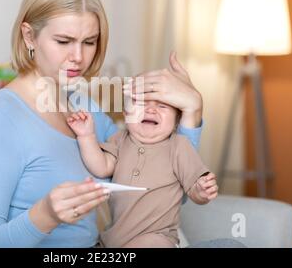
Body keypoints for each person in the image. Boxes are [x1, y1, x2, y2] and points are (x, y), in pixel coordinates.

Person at [0, 0, 204, 248]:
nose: (78, 56)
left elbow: (168, 187)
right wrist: (46, 215)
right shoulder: (0, 120)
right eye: (64, 41)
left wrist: (192, 111)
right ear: (29, 36)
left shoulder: (84, 106)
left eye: (89, 42)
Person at [66, 98, 218, 248]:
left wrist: (202, 190)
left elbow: (194, 187)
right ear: (126, 114)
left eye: (162, 106)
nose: (150, 109)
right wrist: (86, 136)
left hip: (158, 237)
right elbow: (101, 167)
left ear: (176, 120)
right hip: (113, 239)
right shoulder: (119, 139)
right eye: (141, 103)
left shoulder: (178, 145)